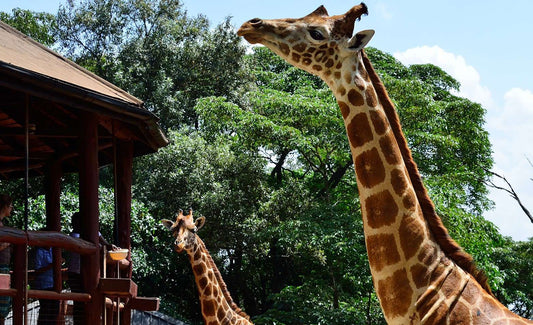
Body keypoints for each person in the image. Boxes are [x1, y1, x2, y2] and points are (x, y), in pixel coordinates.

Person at [34, 237, 60, 324]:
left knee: (54, 310)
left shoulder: (54, 250)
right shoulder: (39, 252)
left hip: (54, 284)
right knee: (46, 310)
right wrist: (53, 265)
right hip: (43, 285)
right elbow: (37, 270)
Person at [0, 195, 13, 325]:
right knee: (2, 303)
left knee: (4, 302)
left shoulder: (2, 224)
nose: (12, 208)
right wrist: (8, 243)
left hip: (4, 267)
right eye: (10, 205)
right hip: (1, 268)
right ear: (4, 206)